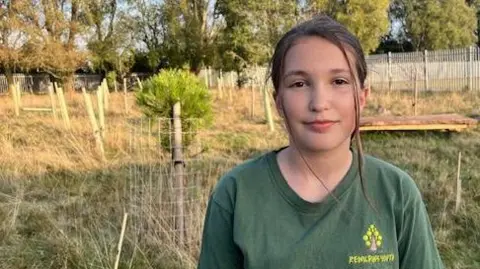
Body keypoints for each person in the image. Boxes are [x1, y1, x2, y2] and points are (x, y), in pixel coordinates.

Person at [197, 15, 444, 269]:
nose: (319, 103)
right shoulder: (235, 195)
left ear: (362, 97)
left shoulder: (397, 193)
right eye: (299, 83)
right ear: (278, 101)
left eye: (339, 81)